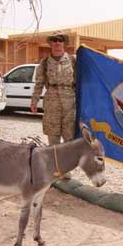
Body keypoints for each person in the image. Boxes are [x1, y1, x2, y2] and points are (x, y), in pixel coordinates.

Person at [30, 30, 76, 175]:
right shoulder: (44, 63)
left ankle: (66, 169)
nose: (57, 43)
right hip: (51, 102)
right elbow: (39, 83)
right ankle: (55, 168)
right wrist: (34, 101)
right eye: (54, 40)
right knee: (53, 136)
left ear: (64, 43)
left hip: (70, 102)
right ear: (50, 43)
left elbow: (82, 81)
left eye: (60, 40)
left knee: (69, 137)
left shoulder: (73, 60)